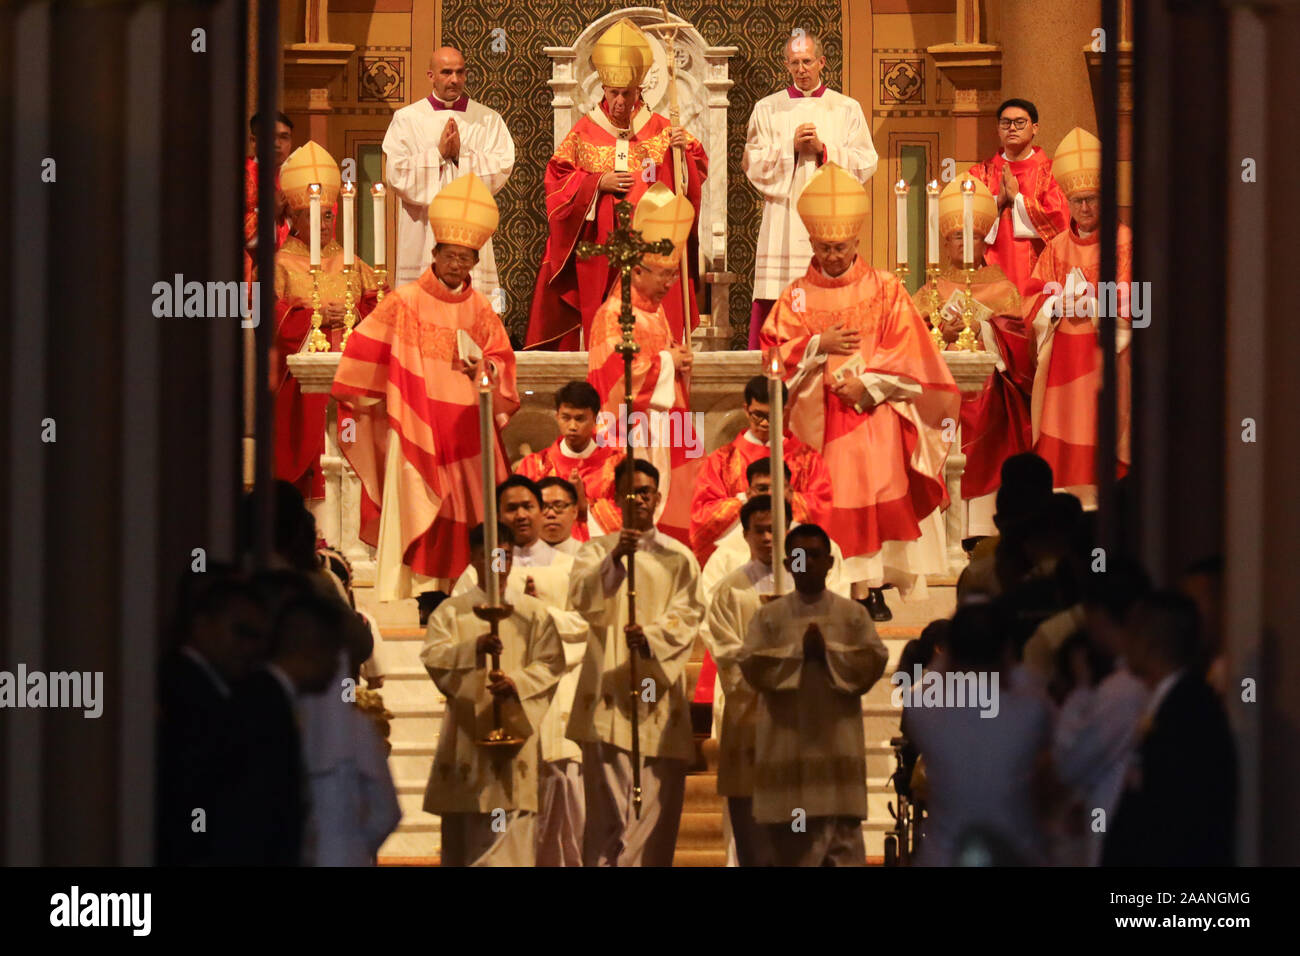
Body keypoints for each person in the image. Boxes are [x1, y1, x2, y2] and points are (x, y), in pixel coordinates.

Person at [760, 162, 960, 622]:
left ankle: (871, 588)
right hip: (819, 423)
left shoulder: (886, 289)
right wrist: (816, 345)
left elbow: (913, 353)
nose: (832, 256)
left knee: (873, 499)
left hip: (874, 415)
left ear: (856, 242)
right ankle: (830, 586)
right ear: (811, 243)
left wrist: (867, 383)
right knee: (830, 502)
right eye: (825, 247)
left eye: (841, 247)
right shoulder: (794, 298)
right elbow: (770, 359)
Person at [332, 173, 518, 602]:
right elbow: (362, 350)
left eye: (466, 258)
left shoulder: (480, 307)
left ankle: (465, 593)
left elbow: (502, 363)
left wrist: (484, 368)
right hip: (417, 427)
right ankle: (412, 594)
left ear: (475, 261)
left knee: (467, 516)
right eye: (451, 256)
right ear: (434, 253)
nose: (457, 265)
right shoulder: (405, 301)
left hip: (468, 433)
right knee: (419, 508)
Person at [526, 18, 708, 350]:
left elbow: (691, 183)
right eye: (613, 93)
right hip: (601, 256)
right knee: (605, 338)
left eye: (627, 93)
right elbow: (556, 181)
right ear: (603, 90)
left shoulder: (665, 130)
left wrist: (685, 153)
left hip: (649, 256)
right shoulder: (584, 132)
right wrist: (596, 184)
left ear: (640, 90)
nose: (620, 101)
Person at [566, 458, 703, 866]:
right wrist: (614, 562)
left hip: (656, 694)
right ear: (616, 498)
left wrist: (653, 637)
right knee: (606, 813)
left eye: (645, 492)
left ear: (657, 498)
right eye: (630, 492)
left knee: (656, 815)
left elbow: (690, 613)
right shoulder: (593, 552)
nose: (639, 499)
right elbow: (583, 601)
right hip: (606, 694)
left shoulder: (678, 557)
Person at [739, 523, 889, 866]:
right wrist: (798, 654)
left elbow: (873, 661)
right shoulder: (769, 618)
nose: (806, 562)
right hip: (787, 758)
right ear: (788, 563)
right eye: (798, 556)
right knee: (792, 854)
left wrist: (827, 654)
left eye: (815, 555)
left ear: (831, 562)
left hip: (836, 759)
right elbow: (750, 664)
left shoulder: (852, 615)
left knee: (842, 852)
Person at [421, 522, 566, 866]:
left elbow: (551, 663)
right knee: (467, 842)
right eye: (489, 553)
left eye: (505, 553)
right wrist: (473, 649)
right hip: (466, 742)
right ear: (473, 557)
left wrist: (518, 684)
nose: (499, 562)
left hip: (514, 743)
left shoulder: (533, 614)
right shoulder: (451, 612)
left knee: (509, 844)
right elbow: (435, 659)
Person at [912, 176, 1031, 538]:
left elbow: (1022, 341)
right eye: (957, 236)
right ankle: (943, 527)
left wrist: (987, 332)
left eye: (974, 236)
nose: (966, 243)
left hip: (989, 392)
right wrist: (938, 336)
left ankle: (980, 527)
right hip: (942, 392)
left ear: (985, 242)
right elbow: (908, 340)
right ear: (945, 243)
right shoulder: (931, 287)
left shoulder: (1002, 286)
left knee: (994, 409)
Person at [743, 31, 877, 348]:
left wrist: (823, 151)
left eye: (807, 62)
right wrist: (789, 148)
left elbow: (866, 161)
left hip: (829, 222)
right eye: (794, 63)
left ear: (821, 62)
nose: (801, 69)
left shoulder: (846, 108)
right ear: (785, 65)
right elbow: (752, 162)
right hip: (783, 220)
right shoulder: (767, 109)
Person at [587, 183, 704, 546]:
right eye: (663, 274)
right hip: (631, 434)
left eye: (672, 275)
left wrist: (677, 361)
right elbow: (616, 381)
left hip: (663, 432)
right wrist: (668, 361)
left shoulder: (657, 314)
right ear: (636, 271)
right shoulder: (613, 315)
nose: (671, 283)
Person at [1022, 128, 1133, 509]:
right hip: (1062, 364)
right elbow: (1031, 298)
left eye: (1092, 199)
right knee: (1064, 433)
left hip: (1104, 359)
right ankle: (1063, 502)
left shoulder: (1125, 242)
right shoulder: (1055, 248)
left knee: (1097, 427)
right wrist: (1055, 305)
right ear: (1067, 201)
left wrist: (1095, 302)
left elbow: (1144, 303)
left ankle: (1103, 505)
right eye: (1077, 200)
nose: (1085, 208)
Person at [272, 142, 380, 509]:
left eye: (329, 216)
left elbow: (380, 310)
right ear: (295, 218)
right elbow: (268, 321)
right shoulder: (280, 265)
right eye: (314, 215)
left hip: (352, 382)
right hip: (304, 392)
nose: (324, 223)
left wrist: (353, 315)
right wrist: (314, 317)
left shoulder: (352, 261)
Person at [905, 601, 1053, 866]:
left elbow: (926, 682)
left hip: (944, 856)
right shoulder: (1031, 708)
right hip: (1015, 853)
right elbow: (1028, 677)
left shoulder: (923, 710)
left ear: (950, 654)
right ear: (1007, 652)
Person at [1103, 591, 1237, 866]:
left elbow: (1176, 818)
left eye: (1131, 632)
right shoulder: (1171, 702)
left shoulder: (1189, 713)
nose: (1124, 643)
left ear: (1148, 642)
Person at [215, 593, 347, 865]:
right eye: (334, 654)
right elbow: (259, 808)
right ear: (311, 648)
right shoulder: (263, 706)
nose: (336, 667)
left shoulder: (273, 698)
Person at [383, 46, 515, 299]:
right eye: (446, 72)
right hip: (424, 231)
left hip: (470, 228)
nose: (455, 79)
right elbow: (397, 174)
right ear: (431, 75)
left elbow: (501, 167)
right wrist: (438, 155)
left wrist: (458, 157)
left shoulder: (488, 119)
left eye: (460, 72)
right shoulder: (407, 119)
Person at [701, 494, 791, 866]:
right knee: (752, 831)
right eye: (760, 531)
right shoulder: (728, 591)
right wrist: (769, 672)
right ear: (746, 533)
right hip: (749, 720)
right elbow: (726, 653)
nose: (769, 538)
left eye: (775, 529)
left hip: (796, 722)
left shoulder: (805, 583)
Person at [156, 571, 269, 865]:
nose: (249, 647)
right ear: (202, 625)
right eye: (240, 632)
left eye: (256, 636)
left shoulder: (214, 688)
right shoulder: (186, 691)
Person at [689, 375, 832, 565]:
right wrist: (743, 501)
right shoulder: (722, 460)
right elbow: (702, 514)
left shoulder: (807, 459)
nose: (765, 423)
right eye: (758, 415)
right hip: (739, 555)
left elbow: (822, 505)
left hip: (794, 555)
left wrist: (785, 498)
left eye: (771, 415)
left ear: (784, 411)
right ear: (746, 409)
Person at [964, 99, 1069, 295]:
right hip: (990, 271)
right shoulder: (980, 173)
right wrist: (998, 202)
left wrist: (1018, 199)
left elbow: (1060, 220)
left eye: (1020, 122)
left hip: (1040, 270)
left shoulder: (1051, 172)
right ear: (998, 129)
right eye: (1006, 123)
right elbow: (964, 224)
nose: (1012, 128)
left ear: (1035, 128)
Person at [514, 381, 623, 541]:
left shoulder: (618, 464)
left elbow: (631, 518)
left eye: (580, 419)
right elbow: (518, 518)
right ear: (557, 416)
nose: (572, 426)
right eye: (566, 418)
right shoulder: (534, 465)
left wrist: (582, 505)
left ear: (595, 419)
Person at [244, 110, 293, 286]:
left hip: (292, 277)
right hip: (249, 276)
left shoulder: (299, 177)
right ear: (253, 141)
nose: (277, 144)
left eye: (284, 137)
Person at [537, 476, 584, 555]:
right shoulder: (515, 560)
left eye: (559, 506)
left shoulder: (592, 560)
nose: (551, 514)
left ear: (574, 511)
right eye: (543, 506)